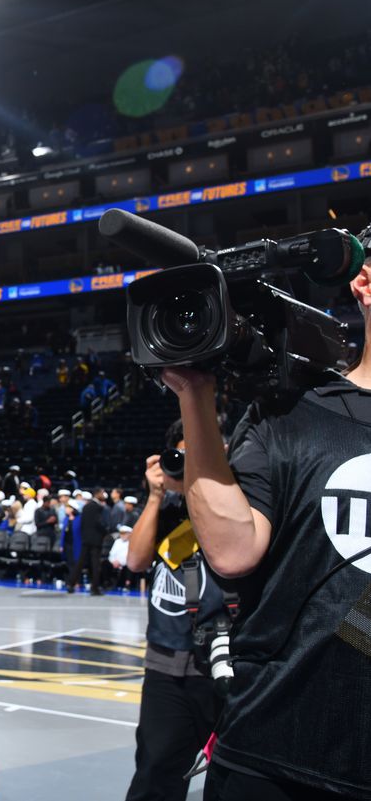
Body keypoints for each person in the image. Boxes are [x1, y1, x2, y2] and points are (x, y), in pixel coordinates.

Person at [159, 228, 371, 800]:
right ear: (365, 282)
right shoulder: (294, 413)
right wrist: (193, 394)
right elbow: (232, 552)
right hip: (272, 757)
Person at [122, 423, 224, 801]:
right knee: (155, 773)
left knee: (231, 777)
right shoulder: (164, 513)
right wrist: (154, 496)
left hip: (222, 666)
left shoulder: (240, 505)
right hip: (166, 666)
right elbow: (135, 561)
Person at [68, 490, 110, 595]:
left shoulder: (86, 507)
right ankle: (94, 588)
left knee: (80, 562)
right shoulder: (98, 507)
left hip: (86, 539)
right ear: (97, 494)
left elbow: (82, 523)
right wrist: (105, 532)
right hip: (96, 539)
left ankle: (71, 584)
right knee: (95, 564)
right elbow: (99, 522)